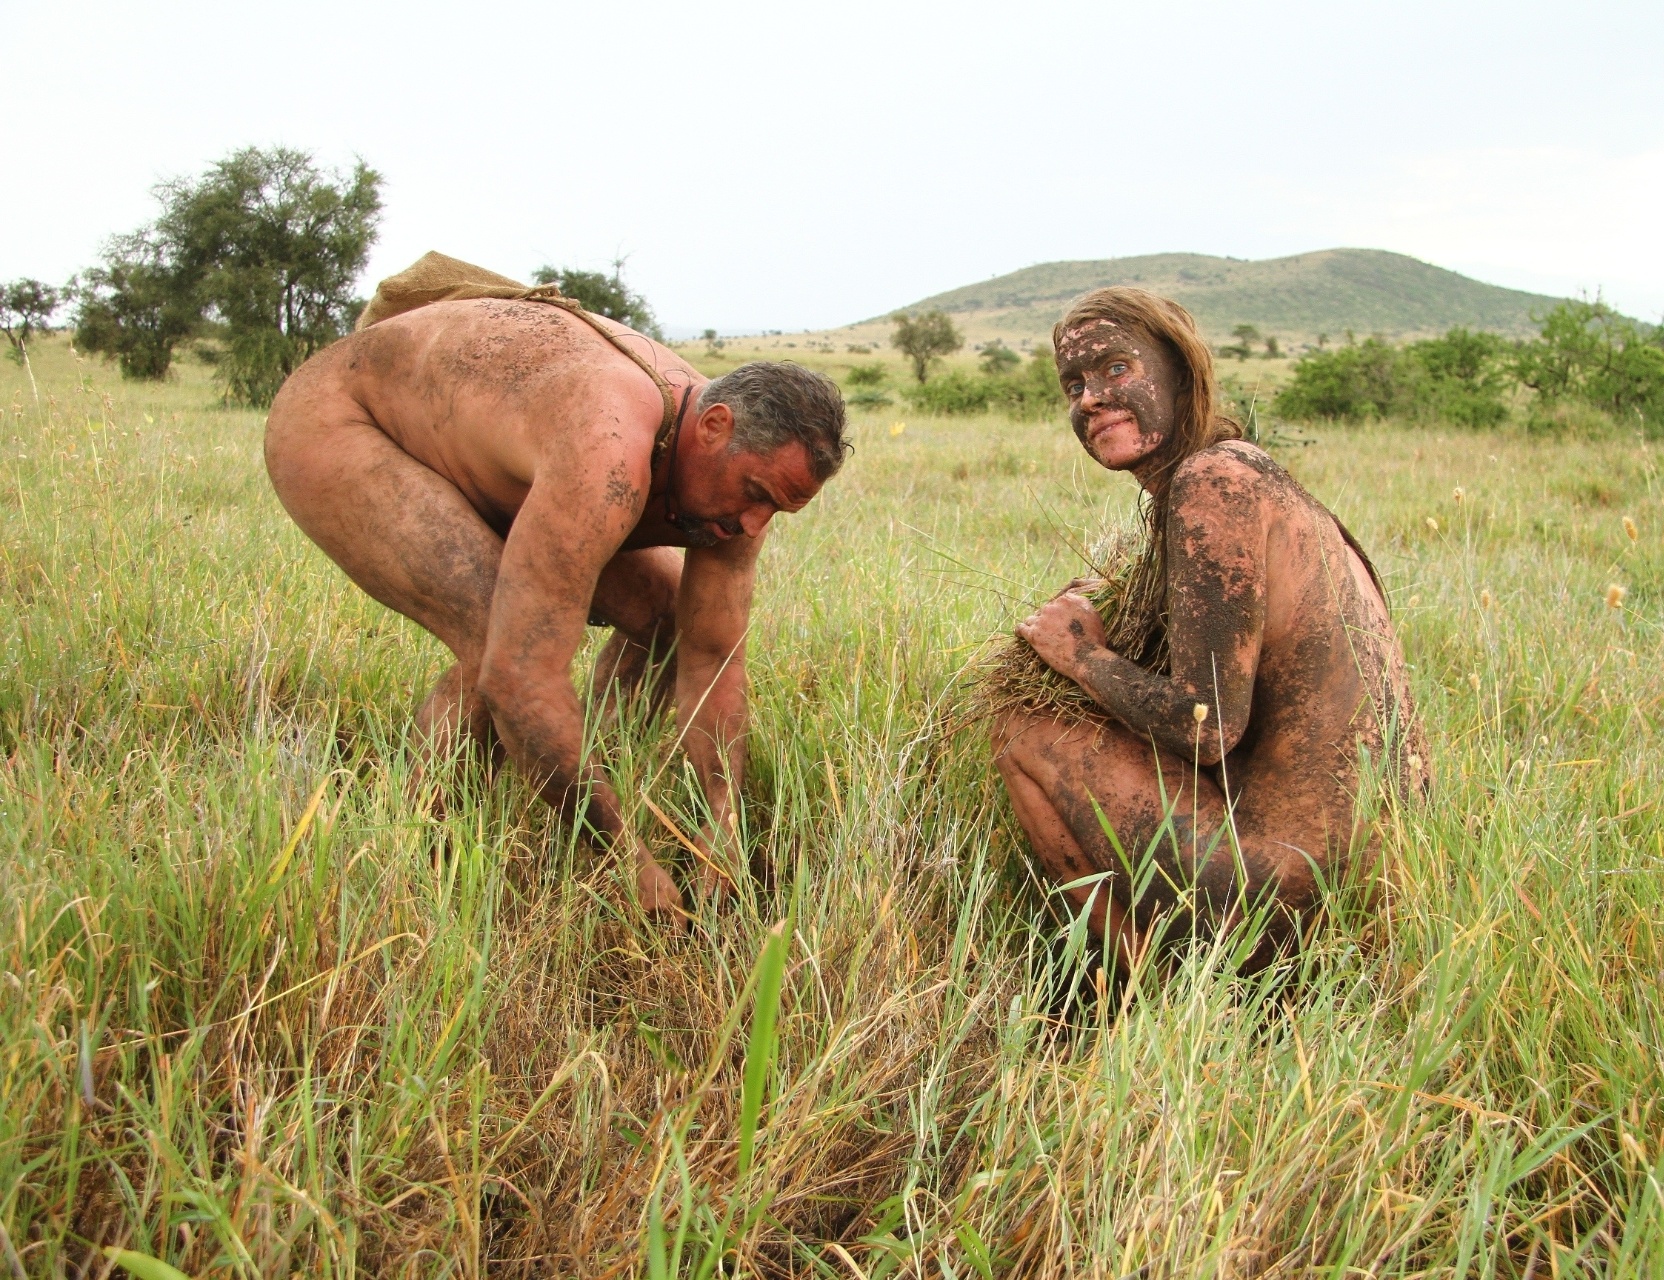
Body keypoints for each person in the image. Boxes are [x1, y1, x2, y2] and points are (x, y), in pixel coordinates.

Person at [264, 257, 848, 920]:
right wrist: (628, 860)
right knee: (498, 641)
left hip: (497, 454)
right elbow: (520, 676)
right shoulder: (607, 451)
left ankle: (580, 771)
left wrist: (723, 824)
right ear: (712, 427)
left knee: (663, 623)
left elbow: (711, 659)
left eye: (778, 509)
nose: (752, 525)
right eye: (756, 496)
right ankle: (421, 857)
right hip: (349, 423)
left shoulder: (738, 485)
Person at [987, 287, 1425, 965]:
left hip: (1289, 891)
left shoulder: (1210, 485)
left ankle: (1152, 992)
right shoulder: (1247, 470)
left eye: (1116, 370)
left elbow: (1207, 724)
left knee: (1021, 732)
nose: (1090, 399)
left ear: (1181, 372)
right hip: (1381, 882)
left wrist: (1078, 655)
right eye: (1074, 384)